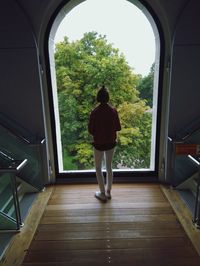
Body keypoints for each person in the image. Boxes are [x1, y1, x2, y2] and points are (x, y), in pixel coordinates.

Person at [88, 85, 121, 202]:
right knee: (109, 167)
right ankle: (109, 192)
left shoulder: (94, 112)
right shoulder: (113, 111)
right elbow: (118, 127)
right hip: (111, 142)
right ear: (108, 97)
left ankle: (102, 193)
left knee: (98, 167)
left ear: (98, 98)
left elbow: (91, 130)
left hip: (98, 143)